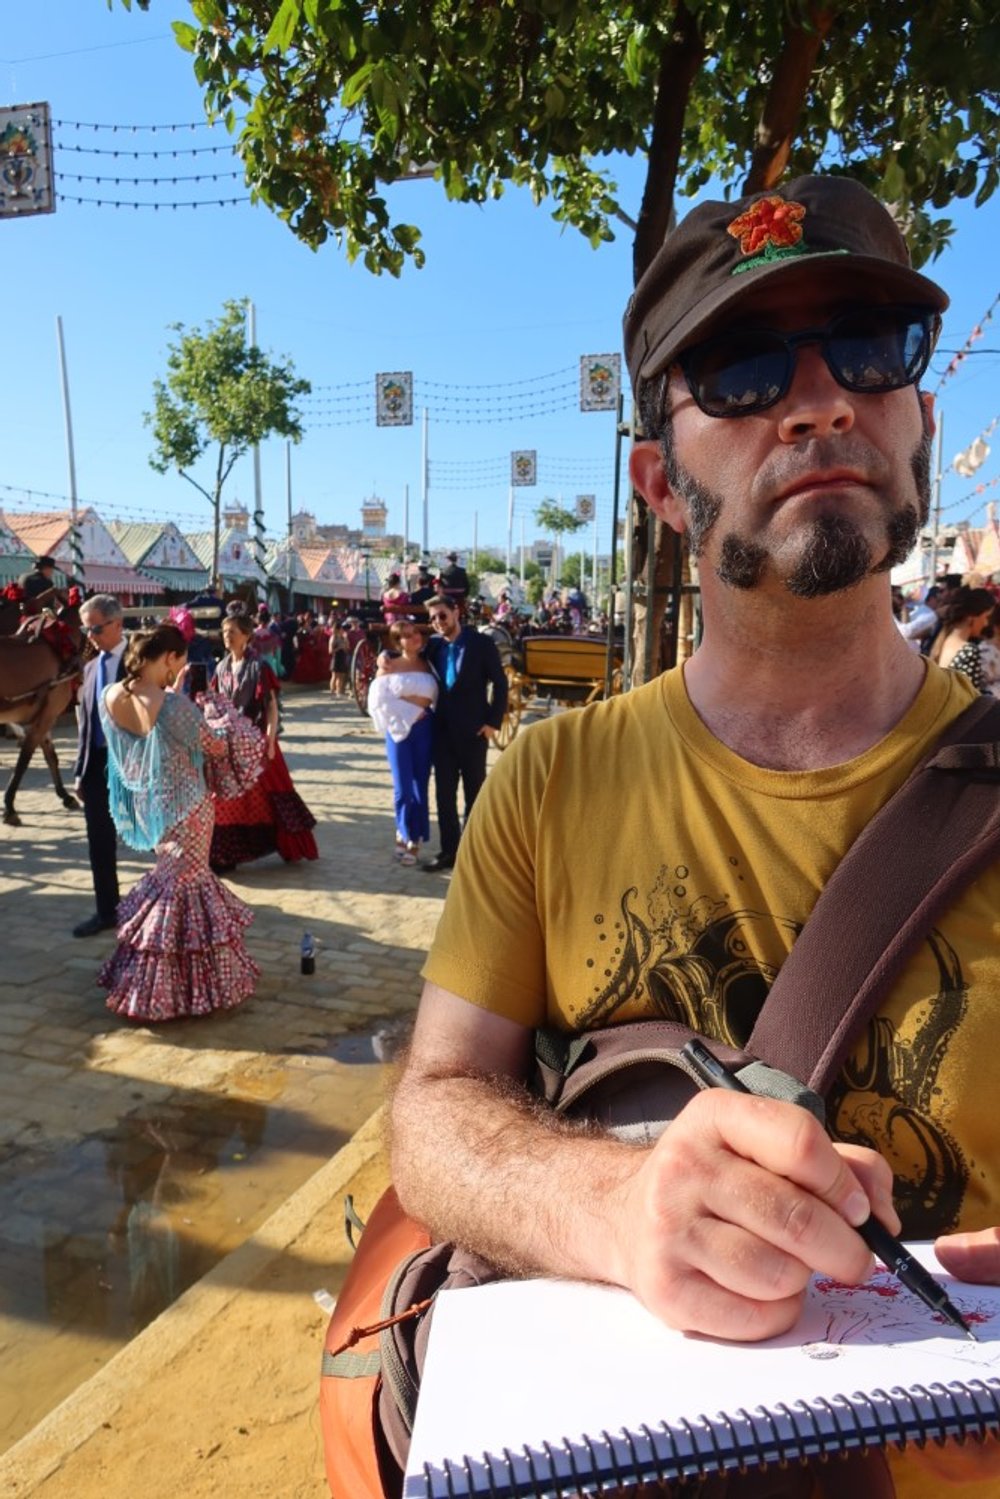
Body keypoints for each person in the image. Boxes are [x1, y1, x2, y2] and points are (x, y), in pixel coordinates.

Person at [390, 176, 1000, 1494]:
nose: (823, 396)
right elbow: (430, 1111)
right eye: (740, 367)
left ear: (919, 421)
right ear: (662, 481)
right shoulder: (550, 779)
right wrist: (610, 1201)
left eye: (870, 347)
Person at [97, 623, 262, 1021]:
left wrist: (176, 695)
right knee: (184, 887)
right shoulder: (174, 707)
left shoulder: (111, 694)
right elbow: (217, 746)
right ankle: (168, 990)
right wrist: (219, 713)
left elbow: (147, 731)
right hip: (188, 807)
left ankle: (148, 980)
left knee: (169, 881)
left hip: (150, 804)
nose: (180, 670)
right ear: (169, 658)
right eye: (179, 662)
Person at [209, 611, 318, 870]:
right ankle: (227, 854)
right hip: (229, 741)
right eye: (224, 632)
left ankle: (291, 846)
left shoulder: (259, 666)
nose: (227, 637)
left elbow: (270, 706)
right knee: (227, 796)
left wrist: (269, 741)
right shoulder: (221, 666)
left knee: (274, 792)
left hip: (256, 739)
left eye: (232, 632)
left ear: (246, 635)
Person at [420, 594, 507, 872]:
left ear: (456, 612)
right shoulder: (432, 648)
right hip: (442, 733)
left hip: (474, 733)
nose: (438, 622)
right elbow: (406, 657)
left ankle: (471, 853)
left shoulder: (481, 643)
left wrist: (493, 723)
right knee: (444, 796)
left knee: (474, 795)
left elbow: (501, 684)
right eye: (432, 618)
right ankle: (449, 852)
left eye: (442, 615)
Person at [72, 594, 128, 937]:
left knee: (157, 841)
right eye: (86, 628)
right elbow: (85, 724)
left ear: (117, 623)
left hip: (135, 766)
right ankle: (107, 911)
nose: (90, 635)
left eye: (96, 628)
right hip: (97, 766)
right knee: (99, 843)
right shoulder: (91, 667)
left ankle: (169, 910)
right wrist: (80, 770)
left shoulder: (139, 661)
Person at [367, 620, 439, 864]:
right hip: (398, 731)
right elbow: (379, 701)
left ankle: (414, 839)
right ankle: (403, 829)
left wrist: (410, 699)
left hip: (425, 730)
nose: (414, 638)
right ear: (398, 642)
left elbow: (433, 699)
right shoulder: (388, 666)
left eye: (416, 632)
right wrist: (413, 704)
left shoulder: (430, 664)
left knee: (421, 786)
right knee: (402, 789)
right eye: (407, 636)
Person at [927, 585, 996, 690]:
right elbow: (971, 699)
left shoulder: (945, 641)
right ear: (971, 617)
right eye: (986, 617)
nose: (986, 623)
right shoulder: (969, 651)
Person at [328, 618, 351, 697]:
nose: (342, 630)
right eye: (341, 628)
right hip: (336, 657)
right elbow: (330, 651)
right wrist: (339, 648)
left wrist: (345, 641)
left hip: (342, 657)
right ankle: (332, 691)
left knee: (341, 675)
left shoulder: (343, 637)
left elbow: (347, 648)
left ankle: (339, 691)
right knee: (335, 675)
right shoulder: (333, 638)